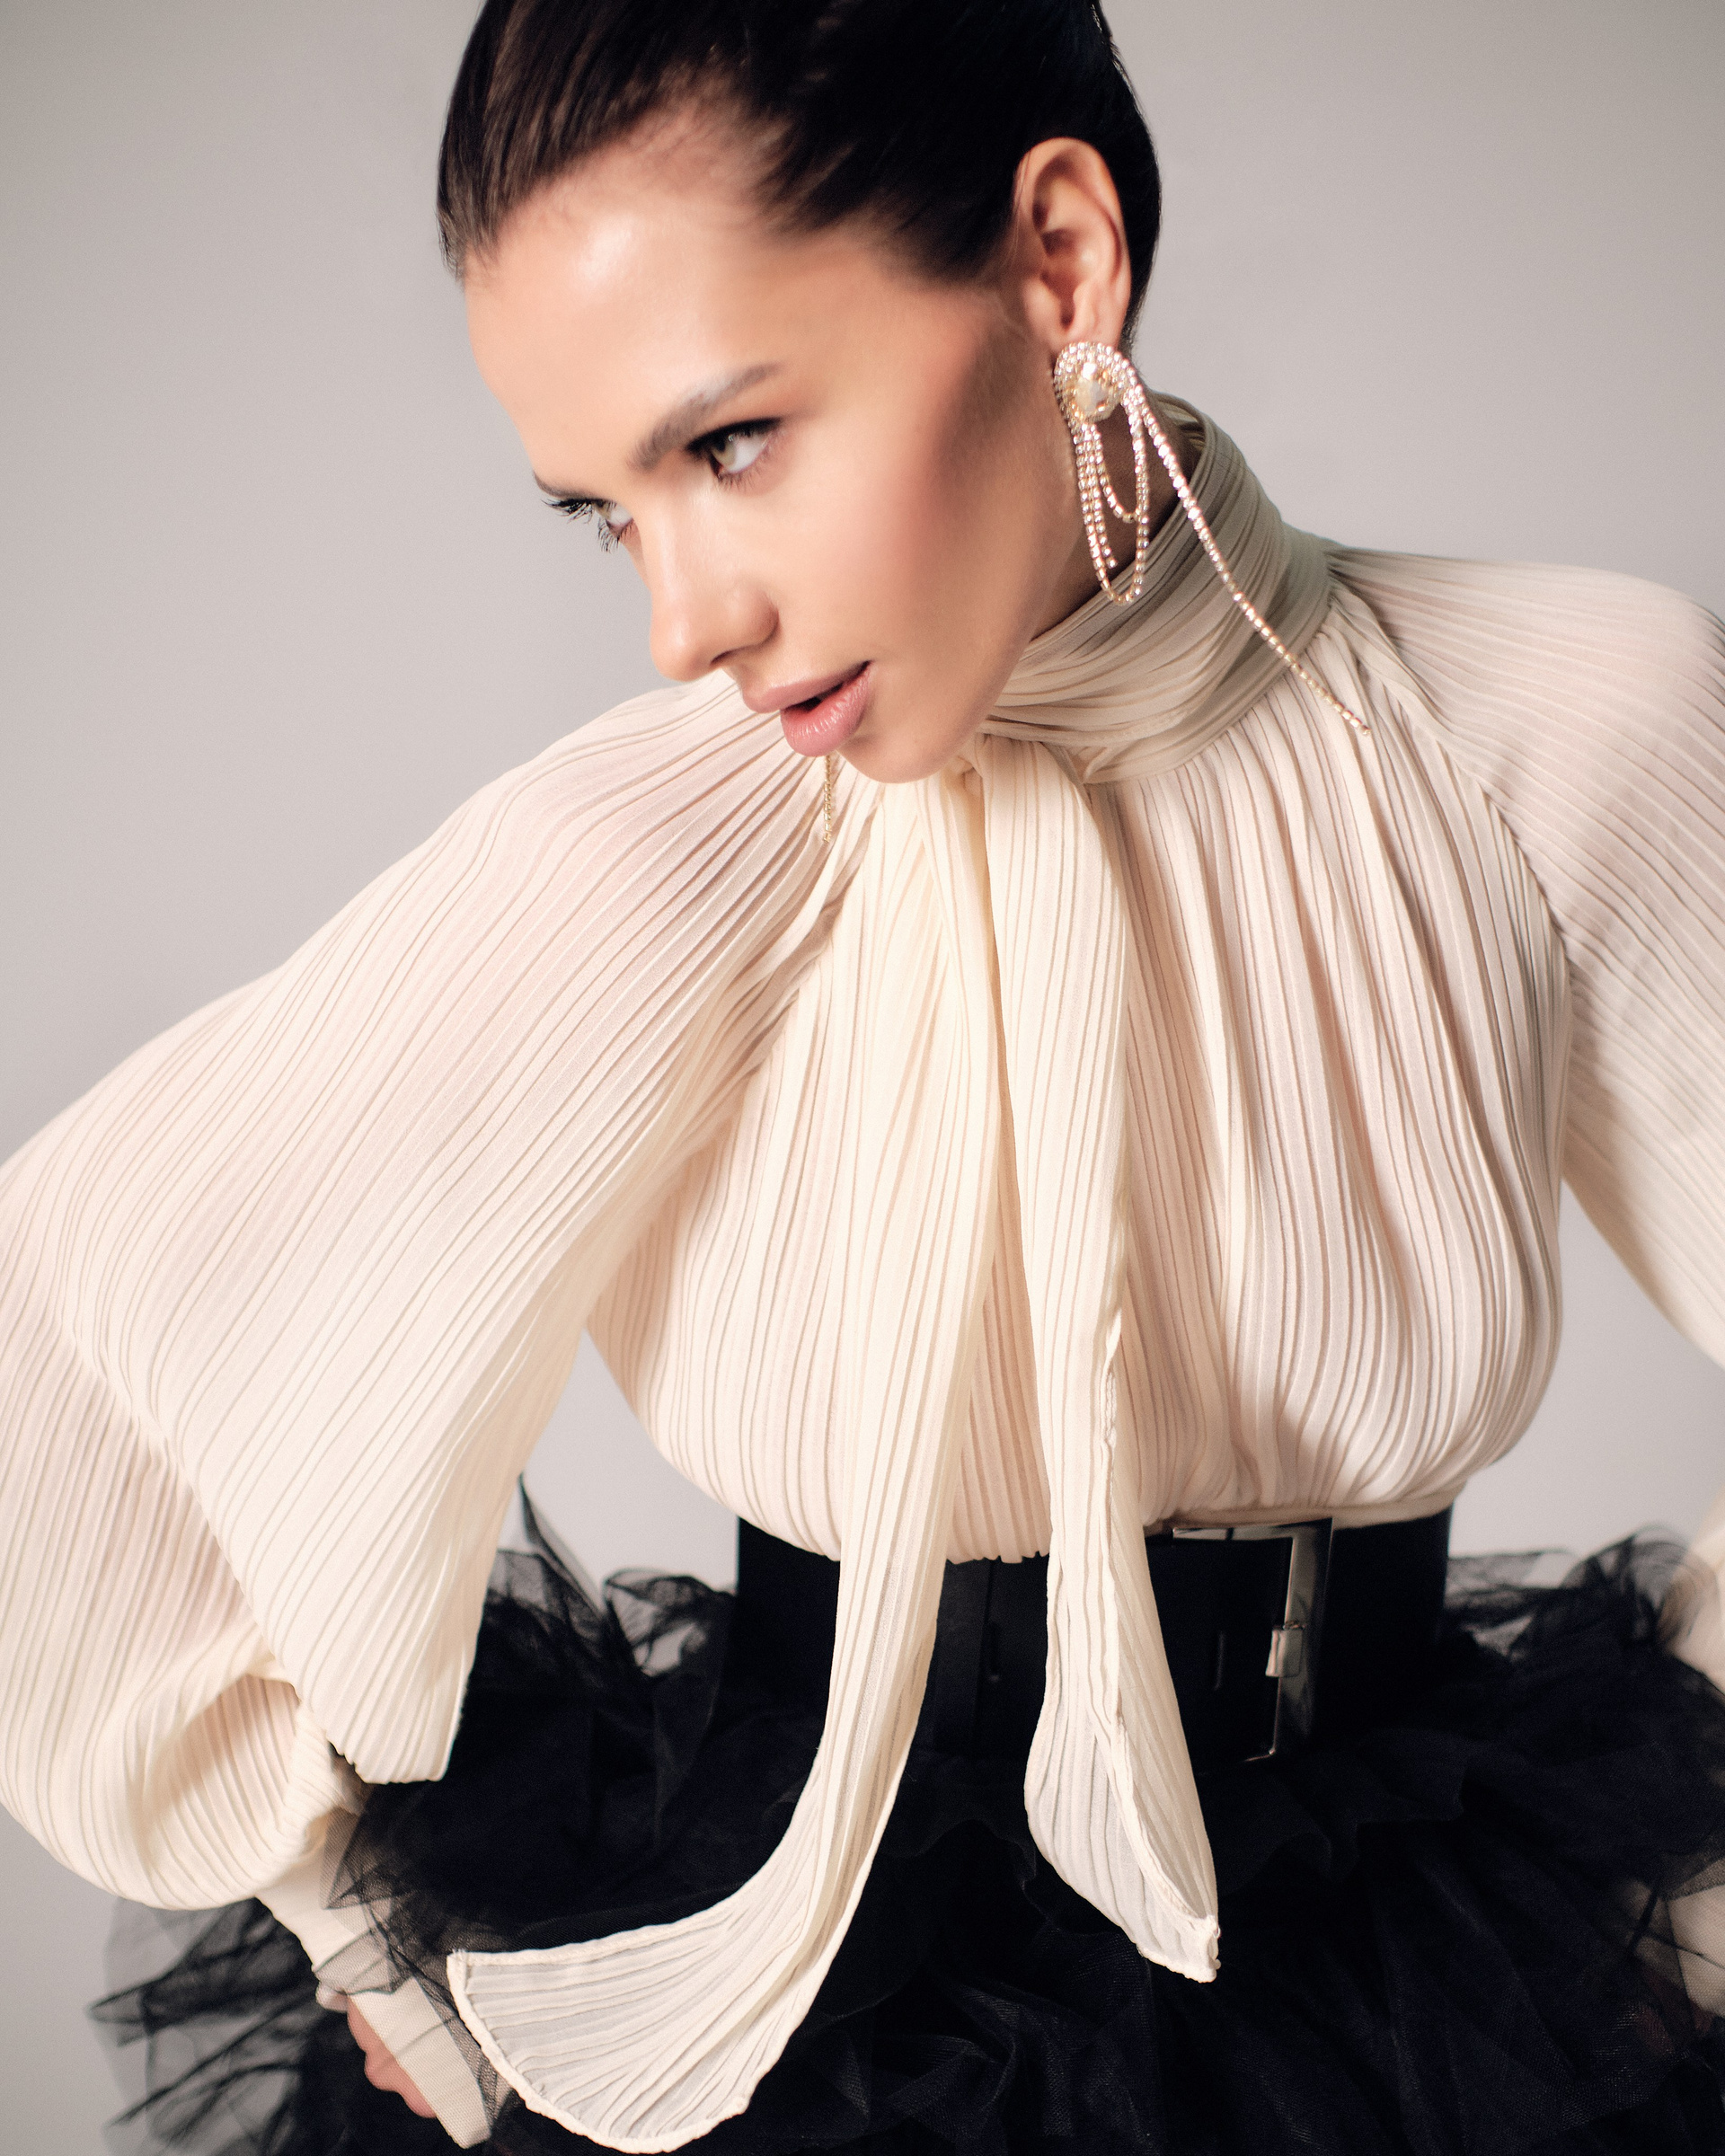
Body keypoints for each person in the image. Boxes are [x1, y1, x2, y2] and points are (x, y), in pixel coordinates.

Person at [4, 0, 1725, 2151]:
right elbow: (77, 1323)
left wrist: (1684, 1898)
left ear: (1059, 261)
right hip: (806, 2009)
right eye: (604, 513)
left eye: (731, 444)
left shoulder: (1546, 738)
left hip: (1431, 1986)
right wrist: (367, 1930)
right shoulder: (656, 855)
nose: (683, 623)